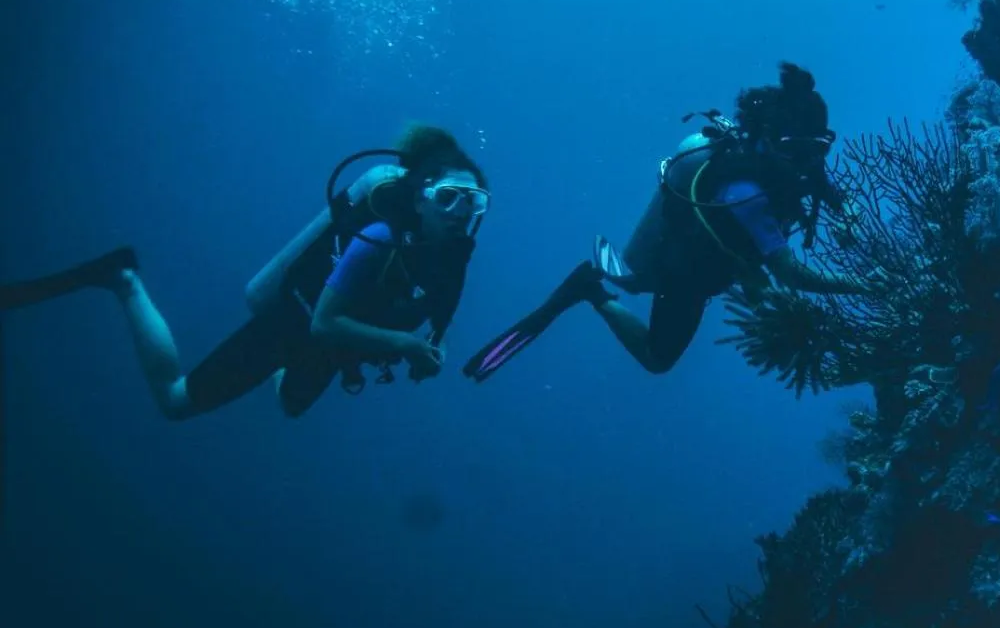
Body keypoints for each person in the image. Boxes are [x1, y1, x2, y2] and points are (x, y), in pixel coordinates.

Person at [0, 124, 490, 419]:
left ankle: (282, 370)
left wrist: (435, 348)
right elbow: (323, 323)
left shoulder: (453, 252)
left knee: (291, 407)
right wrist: (404, 346)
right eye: (448, 197)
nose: (460, 211)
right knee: (175, 403)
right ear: (419, 198)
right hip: (298, 325)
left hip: (332, 343)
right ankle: (123, 279)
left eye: (473, 201)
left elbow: (439, 312)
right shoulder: (380, 240)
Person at [465, 62, 874, 381]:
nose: (810, 160)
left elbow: (826, 185)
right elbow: (792, 275)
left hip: (732, 254)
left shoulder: (799, 159)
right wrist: (866, 288)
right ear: (767, 141)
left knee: (723, 285)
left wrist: (850, 213)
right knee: (653, 347)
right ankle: (590, 289)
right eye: (796, 149)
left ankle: (615, 279)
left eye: (818, 146)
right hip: (689, 268)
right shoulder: (742, 191)